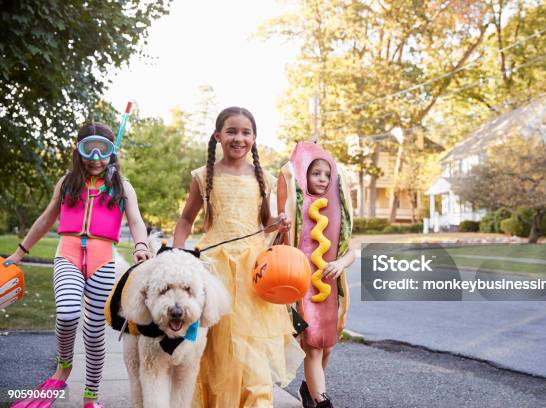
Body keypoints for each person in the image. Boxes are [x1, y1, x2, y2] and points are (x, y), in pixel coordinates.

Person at [6, 122, 151, 408]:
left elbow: (135, 220)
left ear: (112, 152)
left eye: (103, 151)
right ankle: (64, 365)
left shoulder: (122, 186)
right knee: (68, 314)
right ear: (78, 150)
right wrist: (20, 253)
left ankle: (90, 396)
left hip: (102, 262)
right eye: (89, 149)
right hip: (68, 256)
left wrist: (141, 246)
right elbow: (46, 219)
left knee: (95, 333)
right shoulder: (67, 182)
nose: (96, 158)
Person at [173, 107, 304, 408]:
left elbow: (265, 222)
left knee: (252, 347)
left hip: (254, 273)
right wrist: (178, 257)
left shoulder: (263, 178)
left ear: (254, 138)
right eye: (232, 131)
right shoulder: (203, 175)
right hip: (213, 269)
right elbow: (185, 221)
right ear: (218, 136)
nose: (239, 138)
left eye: (246, 132)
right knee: (216, 348)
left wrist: (280, 222)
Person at [277, 142, 355, 408]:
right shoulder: (294, 209)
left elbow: (350, 251)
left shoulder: (335, 212)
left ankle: (308, 389)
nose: (322, 179)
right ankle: (322, 401)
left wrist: (341, 263)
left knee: (327, 346)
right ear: (303, 176)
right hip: (304, 289)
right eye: (315, 173)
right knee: (312, 345)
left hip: (331, 289)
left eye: (326, 174)